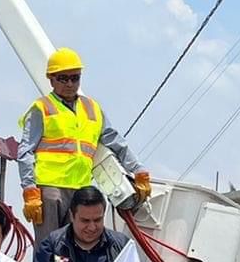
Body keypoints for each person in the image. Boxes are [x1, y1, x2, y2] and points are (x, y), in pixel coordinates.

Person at [17, 47, 149, 235]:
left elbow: (116, 141)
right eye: (63, 78)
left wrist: (138, 170)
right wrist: (30, 190)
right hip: (50, 190)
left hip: (81, 190)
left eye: (75, 78)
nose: (70, 83)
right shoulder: (42, 108)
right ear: (51, 79)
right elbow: (25, 151)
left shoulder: (92, 108)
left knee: (77, 247)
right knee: (49, 248)